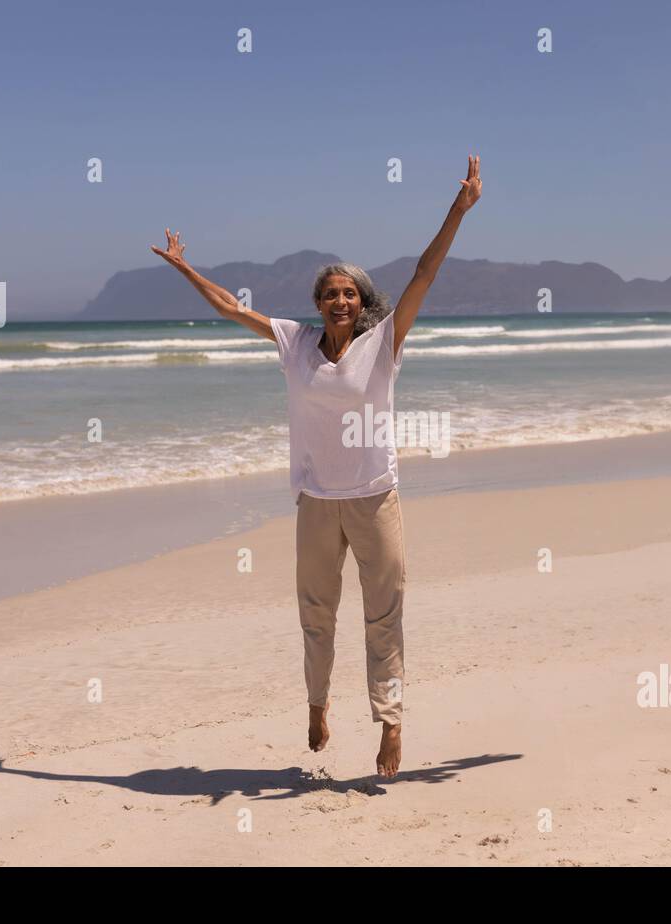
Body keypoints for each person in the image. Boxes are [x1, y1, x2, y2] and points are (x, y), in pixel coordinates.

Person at [151, 156, 483, 777]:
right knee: (316, 612)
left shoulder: (383, 343)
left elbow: (425, 272)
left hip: (375, 498)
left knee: (384, 613)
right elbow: (229, 308)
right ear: (317, 304)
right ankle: (317, 705)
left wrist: (457, 211)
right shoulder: (295, 342)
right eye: (329, 293)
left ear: (362, 304)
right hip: (316, 502)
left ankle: (390, 723)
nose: (339, 300)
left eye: (349, 293)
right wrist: (184, 267)